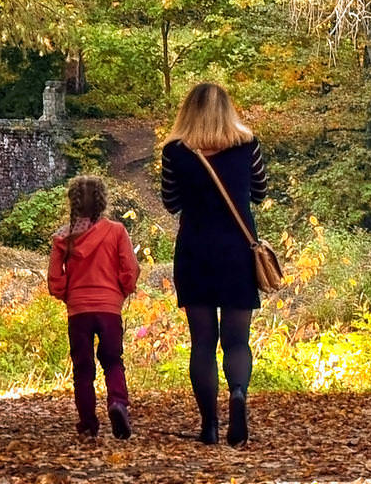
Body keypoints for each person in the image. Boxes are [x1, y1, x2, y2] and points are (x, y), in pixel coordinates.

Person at [161, 81, 268, 446]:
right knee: (237, 340)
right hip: (238, 251)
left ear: (187, 112)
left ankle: (209, 425)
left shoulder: (175, 152)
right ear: (228, 110)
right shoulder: (247, 145)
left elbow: (171, 201)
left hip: (195, 252)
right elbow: (260, 191)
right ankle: (238, 392)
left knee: (202, 342)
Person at [46, 176, 139, 440]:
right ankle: (118, 403)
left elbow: (55, 278)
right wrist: (122, 289)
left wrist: (67, 294)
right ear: (102, 200)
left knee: (82, 369)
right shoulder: (117, 231)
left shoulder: (64, 238)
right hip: (109, 307)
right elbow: (129, 269)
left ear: (73, 202)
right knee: (113, 361)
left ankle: (88, 422)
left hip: (79, 310)